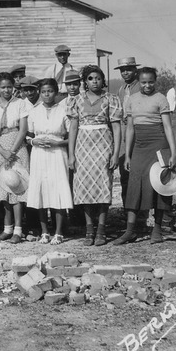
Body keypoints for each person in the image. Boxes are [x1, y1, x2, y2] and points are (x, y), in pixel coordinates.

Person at [117, 67, 176, 245]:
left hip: (158, 144)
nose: (147, 85)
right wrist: (127, 155)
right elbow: (129, 128)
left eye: (150, 81)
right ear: (139, 81)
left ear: (155, 81)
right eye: (143, 82)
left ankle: (157, 230)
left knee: (160, 184)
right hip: (139, 146)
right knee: (134, 185)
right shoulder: (131, 100)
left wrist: (173, 153)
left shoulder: (161, 98)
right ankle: (130, 231)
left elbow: (168, 127)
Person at [67, 65, 122, 246]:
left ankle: (101, 229)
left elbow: (116, 127)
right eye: (90, 78)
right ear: (85, 82)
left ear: (103, 80)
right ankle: (89, 230)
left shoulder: (110, 99)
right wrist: (71, 155)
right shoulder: (76, 100)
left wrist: (115, 154)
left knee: (103, 187)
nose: (95, 82)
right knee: (84, 189)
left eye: (98, 78)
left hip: (103, 146)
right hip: (83, 148)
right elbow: (73, 128)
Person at [0, 72, 30, 244]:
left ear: (13, 87)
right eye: (3, 87)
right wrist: (3, 151)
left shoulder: (20, 103)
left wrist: (11, 150)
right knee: (4, 188)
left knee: (17, 186)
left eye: (9, 87)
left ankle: (18, 230)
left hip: (17, 146)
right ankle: (7, 228)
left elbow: (23, 129)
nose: (6, 90)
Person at [26, 78, 73, 245]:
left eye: (50, 91)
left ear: (56, 92)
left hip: (57, 153)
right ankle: (45, 231)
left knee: (58, 190)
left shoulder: (63, 110)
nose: (47, 94)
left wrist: (59, 143)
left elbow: (73, 136)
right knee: (41, 190)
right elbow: (28, 135)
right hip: (39, 154)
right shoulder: (34, 111)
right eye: (44, 91)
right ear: (40, 92)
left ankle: (59, 232)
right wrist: (33, 142)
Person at [115, 57, 141, 205]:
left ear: (135, 70)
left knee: (138, 169)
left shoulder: (141, 87)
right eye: (122, 70)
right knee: (124, 170)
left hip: (139, 130)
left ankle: (140, 209)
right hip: (124, 129)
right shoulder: (121, 89)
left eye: (129, 69)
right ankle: (127, 207)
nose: (125, 72)